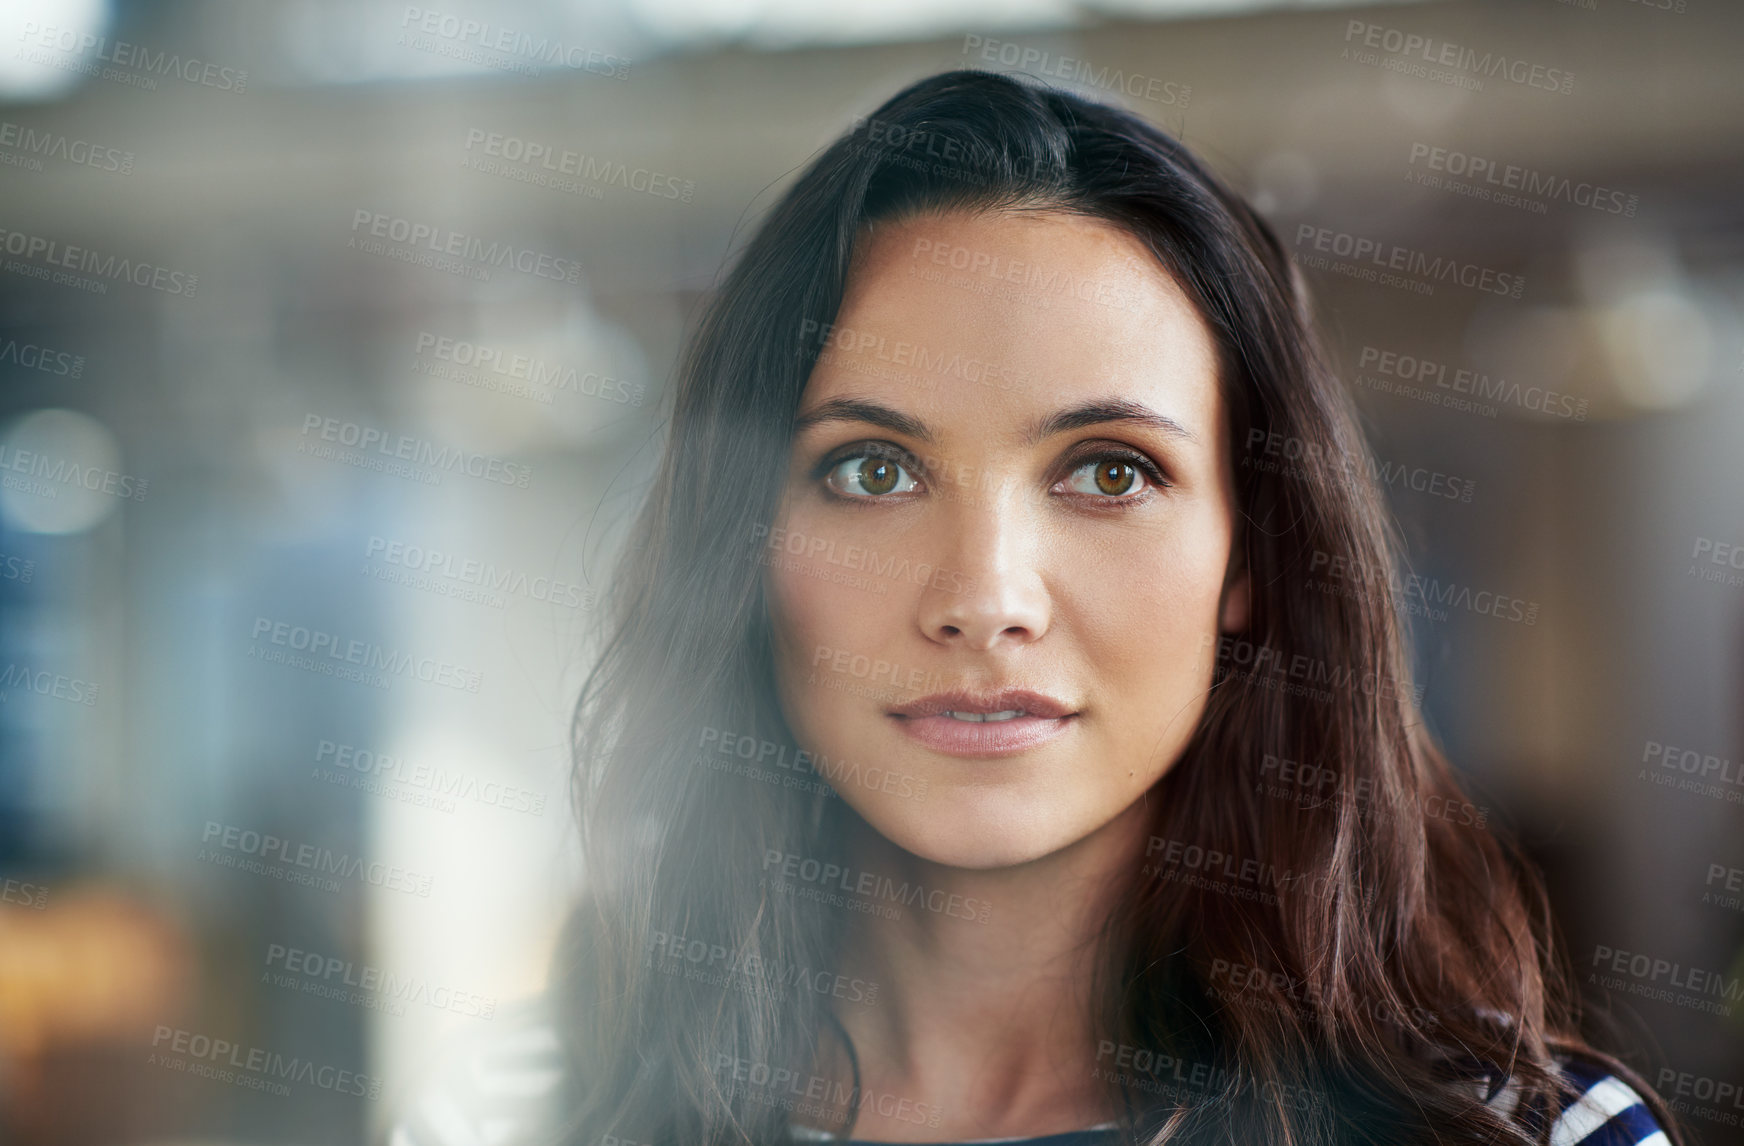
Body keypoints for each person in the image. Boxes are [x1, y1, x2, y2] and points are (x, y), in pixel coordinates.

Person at [390, 69, 1679, 1146]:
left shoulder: (1531, 1138)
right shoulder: (516, 1117)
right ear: (746, 547)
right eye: (873, 470)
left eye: (1110, 471)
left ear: (1253, 557)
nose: (985, 599)